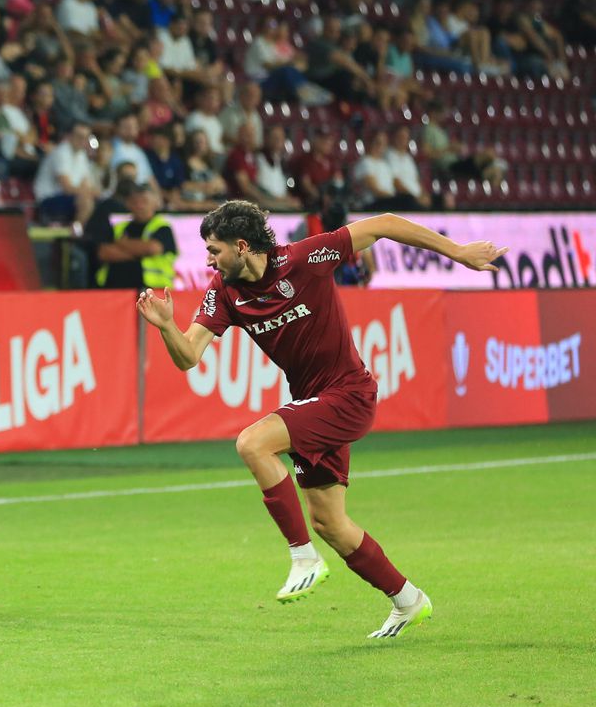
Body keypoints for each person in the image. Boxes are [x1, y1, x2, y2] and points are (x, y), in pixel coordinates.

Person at [136, 200, 508, 638]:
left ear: (241, 246)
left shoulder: (306, 258)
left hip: (349, 395)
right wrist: (167, 326)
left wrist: (458, 251)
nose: (209, 260)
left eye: (214, 250)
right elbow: (188, 357)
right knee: (331, 523)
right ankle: (408, 600)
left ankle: (303, 556)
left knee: (252, 443)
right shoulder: (224, 291)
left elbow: (384, 223)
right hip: (314, 404)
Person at [92, 183, 176, 290]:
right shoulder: (119, 227)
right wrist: (140, 254)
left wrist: (121, 243)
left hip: (151, 290)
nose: (139, 206)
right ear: (128, 204)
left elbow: (152, 248)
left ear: (155, 203)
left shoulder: (162, 227)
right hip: (113, 289)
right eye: (135, 202)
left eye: (144, 201)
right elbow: (104, 253)